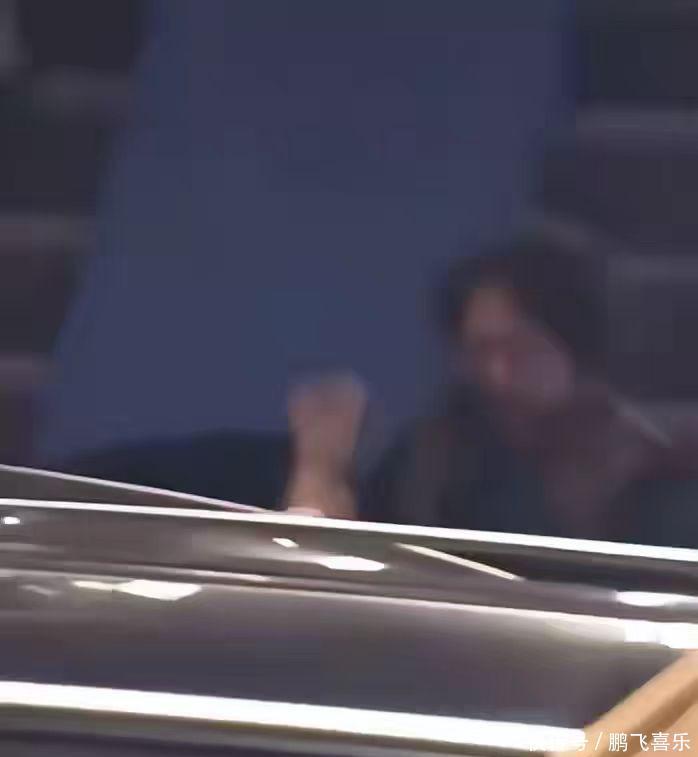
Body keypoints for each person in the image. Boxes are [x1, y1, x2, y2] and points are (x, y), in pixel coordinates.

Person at [284, 235, 698, 547]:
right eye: (480, 351)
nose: (497, 374)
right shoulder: (430, 462)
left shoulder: (655, 470)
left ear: (575, 347)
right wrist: (320, 471)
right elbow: (346, 575)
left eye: (521, 350)